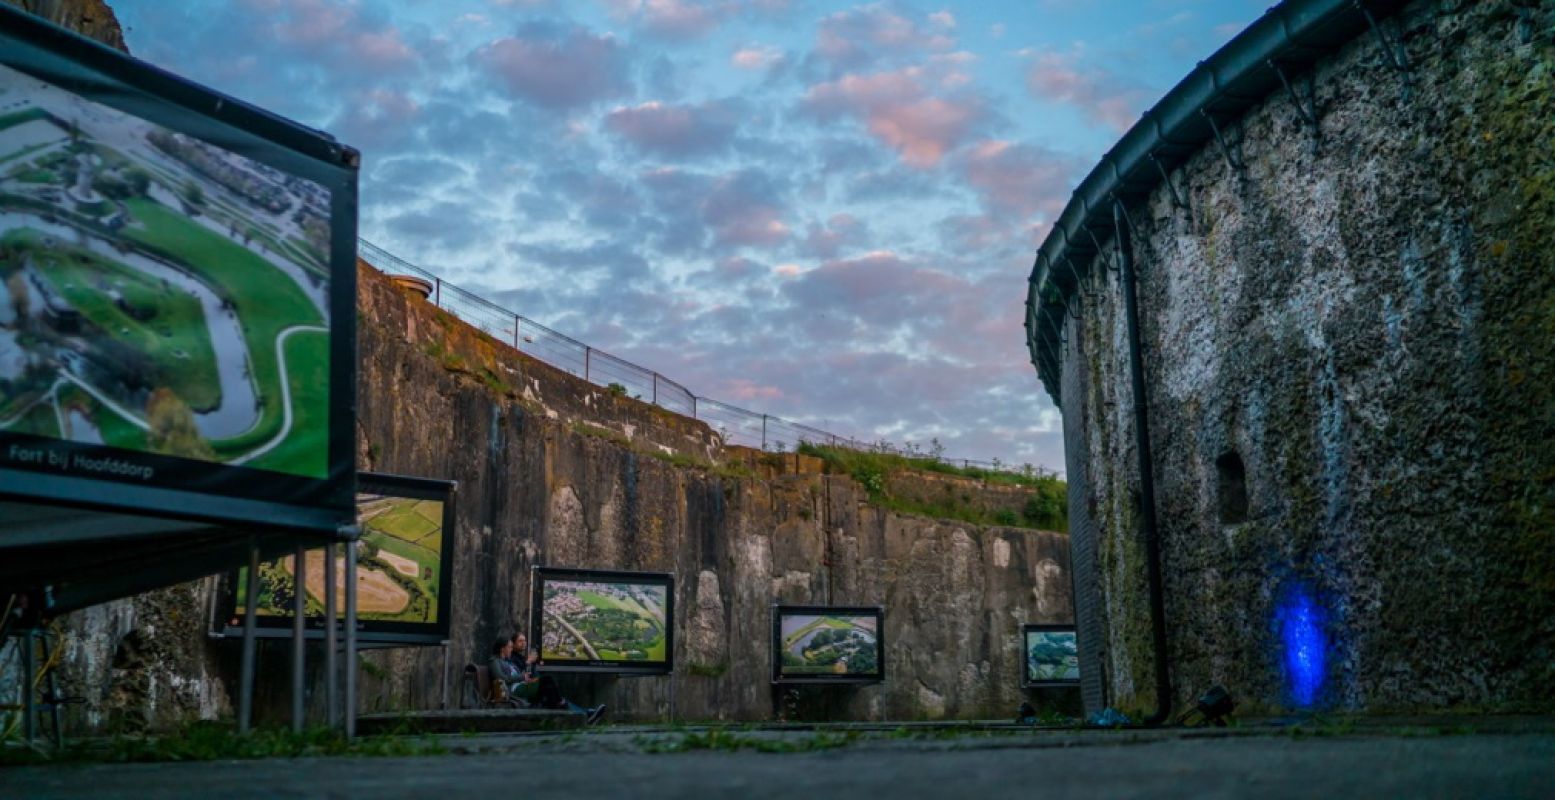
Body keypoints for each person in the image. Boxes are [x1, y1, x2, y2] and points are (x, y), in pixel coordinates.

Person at [500, 632, 607, 725]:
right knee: (552, 688)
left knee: (557, 697)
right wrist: (528, 663)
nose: (524, 643)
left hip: (528, 686)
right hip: (522, 689)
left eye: (524, 640)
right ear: (512, 644)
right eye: (520, 641)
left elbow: (530, 675)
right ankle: (585, 714)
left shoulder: (520, 658)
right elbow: (520, 676)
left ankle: (585, 714)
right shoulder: (513, 658)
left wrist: (533, 674)